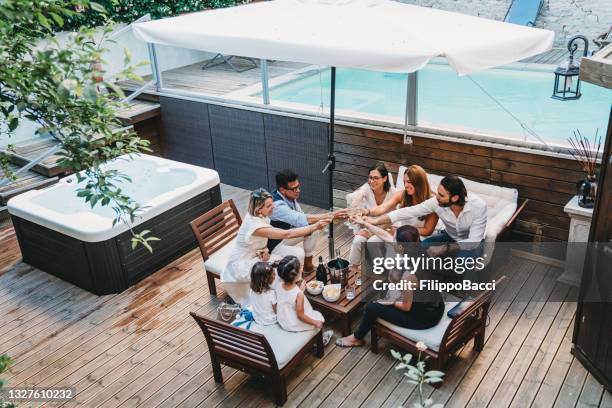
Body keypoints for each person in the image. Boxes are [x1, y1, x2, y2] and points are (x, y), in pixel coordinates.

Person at [335, 225, 445, 347]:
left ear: (401, 246)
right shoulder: (421, 248)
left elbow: (406, 307)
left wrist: (391, 302)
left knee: (371, 307)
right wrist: (366, 223)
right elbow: (386, 237)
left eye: (394, 239)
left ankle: (357, 338)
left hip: (423, 317)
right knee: (382, 286)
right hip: (436, 305)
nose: (391, 240)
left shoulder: (409, 275)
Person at [222, 188, 330, 305]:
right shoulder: (254, 225)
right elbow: (286, 234)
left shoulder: (258, 215)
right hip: (243, 264)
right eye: (268, 206)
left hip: (258, 256)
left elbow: (255, 243)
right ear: (258, 209)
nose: (273, 207)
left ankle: (290, 291)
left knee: (290, 261)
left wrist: (263, 251)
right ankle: (284, 298)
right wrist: (314, 227)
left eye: (272, 203)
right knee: (279, 272)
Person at [365, 175, 487, 276]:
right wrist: (374, 221)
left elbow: (474, 241)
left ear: (455, 198)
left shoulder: (478, 206)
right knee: (420, 247)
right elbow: (406, 212)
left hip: (470, 242)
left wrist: (445, 248)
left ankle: (466, 294)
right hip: (448, 236)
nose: (437, 197)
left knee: (463, 262)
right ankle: (412, 278)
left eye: (442, 195)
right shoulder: (436, 202)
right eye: (438, 193)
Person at [348, 165, 439, 271]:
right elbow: (382, 209)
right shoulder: (403, 195)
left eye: (409, 182)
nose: (405, 185)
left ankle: (395, 272)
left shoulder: (432, 201)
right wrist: (366, 212)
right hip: (399, 232)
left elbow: (428, 230)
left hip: (420, 236)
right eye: (404, 182)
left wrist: (402, 230)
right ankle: (380, 270)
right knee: (372, 242)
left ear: (419, 182)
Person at [267, 169, 346, 273]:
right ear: (282, 190)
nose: (298, 190)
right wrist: (331, 215)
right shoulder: (277, 206)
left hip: (286, 235)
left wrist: (327, 219)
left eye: (298, 187)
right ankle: (297, 278)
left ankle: (308, 266)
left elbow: (303, 218)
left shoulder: (289, 196)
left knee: (313, 228)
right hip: (274, 245)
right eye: (294, 188)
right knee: (299, 252)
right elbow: (301, 219)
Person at [346, 163, 397, 268]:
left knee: (372, 242)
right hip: (368, 226)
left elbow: (393, 219)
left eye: (376, 178)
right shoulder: (367, 189)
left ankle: (379, 270)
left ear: (384, 178)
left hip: (386, 228)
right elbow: (355, 204)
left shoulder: (393, 194)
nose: (372, 181)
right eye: (370, 178)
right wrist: (355, 208)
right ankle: (352, 270)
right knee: (358, 241)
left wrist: (372, 232)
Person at [275, 256, 334, 345]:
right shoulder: (299, 294)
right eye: (300, 269)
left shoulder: (279, 285)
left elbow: (288, 296)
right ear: (296, 275)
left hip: (283, 319)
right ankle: (320, 340)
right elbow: (300, 315)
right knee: (318, 317)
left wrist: (299, 290)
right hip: (293, 324)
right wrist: (316, 322)